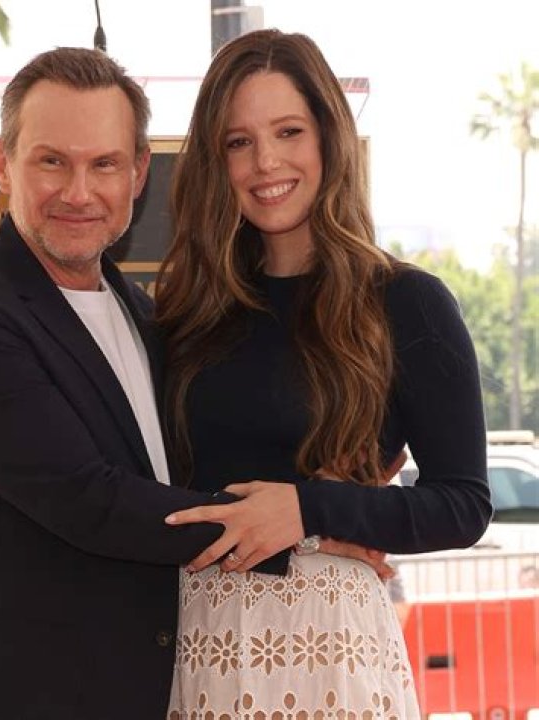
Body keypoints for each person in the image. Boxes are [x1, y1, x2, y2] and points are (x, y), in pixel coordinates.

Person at [0, 46, 374, 720]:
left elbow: (189, 473)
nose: (79, 192)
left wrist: (340, 500)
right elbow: (92, 501)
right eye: (52, 161)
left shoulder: (148, 315)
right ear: (3, 164)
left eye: (104, 164)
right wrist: (299, 530)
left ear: (138, 173)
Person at [156, 30, 492, 717]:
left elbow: (463, 504)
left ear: (328, 139)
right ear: (216, 161)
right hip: (200, 641)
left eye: (288, 131)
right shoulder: (189, 312)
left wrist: (310, 510)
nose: (266, 162)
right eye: (239, 141)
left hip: (333, 648)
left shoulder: (405, 301)